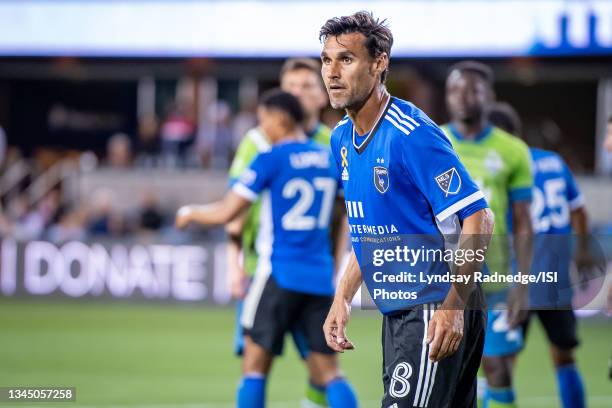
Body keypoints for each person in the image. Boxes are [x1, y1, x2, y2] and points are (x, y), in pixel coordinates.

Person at [319, 12, 494, 408]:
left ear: (379, 63)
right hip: (399, 311)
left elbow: (479, 218)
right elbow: (370, 231)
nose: (332, 72)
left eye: (346, 60)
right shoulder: (341, 139)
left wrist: (452, 307)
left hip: (433, 304)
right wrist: (342, 298)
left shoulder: (410, 133)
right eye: (326, 60)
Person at [176, 89, 357, 408]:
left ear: (281, 119)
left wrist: (190, 213)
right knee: (331, 374)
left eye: (264, 121)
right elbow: (344, 212)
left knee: (254, 370)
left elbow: (228, 212)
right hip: (319, 278)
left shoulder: (271, 158)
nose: (261, 130)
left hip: (277, 273)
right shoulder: (328, 158)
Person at [226, 58, 344, 407]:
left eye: (307, 86)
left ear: (322, 97)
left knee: (304, 368)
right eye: (291, 87)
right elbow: (239, 213)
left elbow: (345, 217)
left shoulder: (332, 141)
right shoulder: (256, 141)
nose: (298, 94)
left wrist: (341, 264)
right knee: (321, 367)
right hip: (261, 269)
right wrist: (234, 264)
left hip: (290, 269)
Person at [441, 62, 534, 408]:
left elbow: (524, 222)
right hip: (441, 281)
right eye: (455, 90)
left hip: (494, 283)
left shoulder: (513, 150)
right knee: (444, 373)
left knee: (496, 369)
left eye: (473, 90)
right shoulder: (433, 141)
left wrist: (522, 285)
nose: (463, 97)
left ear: (489, 96)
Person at [489, 102, 587, 408]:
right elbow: (578, 211)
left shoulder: (503, 167)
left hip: (517, 279)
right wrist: (580, 251)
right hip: (556, 279)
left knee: (499, 363)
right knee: (564, 357)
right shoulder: (554, 162)